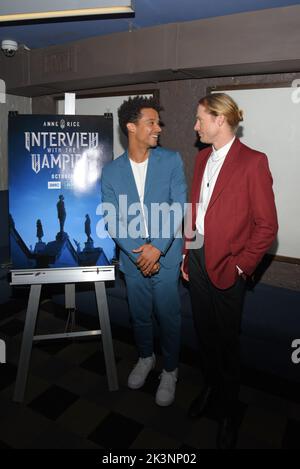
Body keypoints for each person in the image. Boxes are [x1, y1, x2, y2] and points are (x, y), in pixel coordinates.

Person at [182, 93, 278, 448]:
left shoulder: (253, 162)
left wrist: (241, 266)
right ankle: (210, 389)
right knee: (205, 336)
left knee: (227, 342)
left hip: (228, 266)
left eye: (199, 119)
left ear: (219, 120)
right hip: (197, 258)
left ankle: (229, 410)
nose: (195, 126)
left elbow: (267, 226)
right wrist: (186, 254)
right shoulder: (202, 157)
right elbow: (195, 210)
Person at [101, 96, 187, 406]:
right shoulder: (111, 172)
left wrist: (157, 249)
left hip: (165, 257)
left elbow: (179, 206)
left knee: (168, 316)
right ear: (131, 126)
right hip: (132, 259)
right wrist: (139, 253)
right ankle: (145, 357)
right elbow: (111, 218)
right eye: (151, 122)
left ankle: (170, 370)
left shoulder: (171, 160)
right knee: (139, 316)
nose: (158, 128)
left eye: (158, 123)